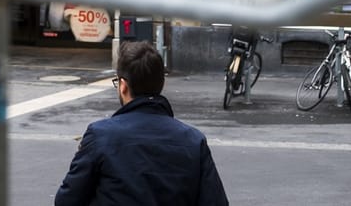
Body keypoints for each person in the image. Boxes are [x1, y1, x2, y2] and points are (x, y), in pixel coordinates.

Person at [55, 41, 228, 206]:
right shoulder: (193, 141)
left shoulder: (100, 136)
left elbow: (67, 200)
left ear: (123, 86)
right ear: (161, 83)